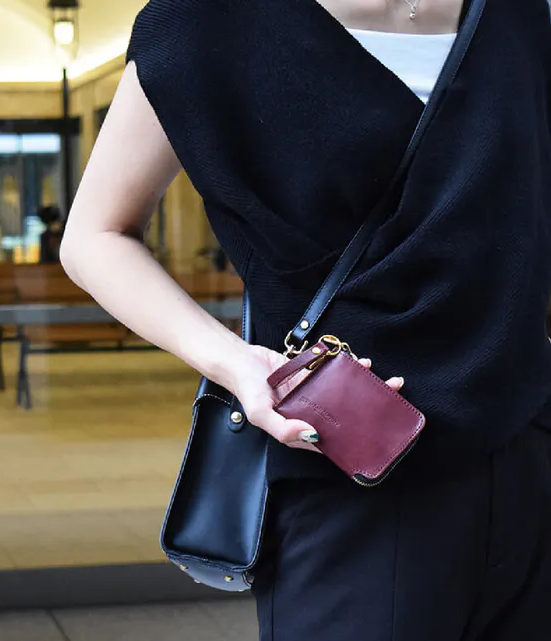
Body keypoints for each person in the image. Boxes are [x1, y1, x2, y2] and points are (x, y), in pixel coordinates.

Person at [60, 0, 551, 638]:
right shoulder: (207, 21)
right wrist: (234, 363)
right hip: (348, 467)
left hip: (527, 448)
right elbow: (94, 235)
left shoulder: (521, 14)